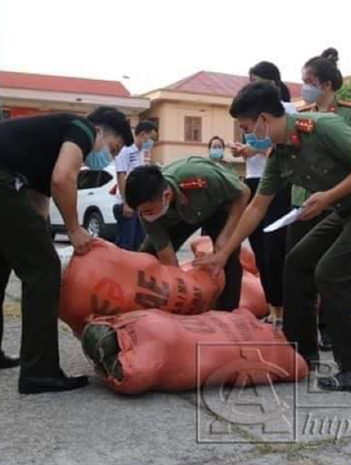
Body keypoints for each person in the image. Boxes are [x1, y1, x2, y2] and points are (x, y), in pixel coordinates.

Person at [195, 82, 351, 392]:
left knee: (331, 275)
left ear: (264, 119)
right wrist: (224, 253)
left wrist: (328, 196)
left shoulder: (322, 126)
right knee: (296, 262)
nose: (245, 134)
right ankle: (301, 353)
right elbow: (256, 207)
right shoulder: (280, 154)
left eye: (246, 126)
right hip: (348, 208)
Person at [0, 107, 133, 394]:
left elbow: (38, 205)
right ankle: (40, 371)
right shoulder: (83, 128)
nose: (109, 157)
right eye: (113, 149)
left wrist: (45, 243)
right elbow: (61, 179)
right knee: (43, 269)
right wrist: (74, 230)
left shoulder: (45, 149)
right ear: (102, 132)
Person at [292, 47, 351, 352]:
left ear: (325, 84)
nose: (303, 86)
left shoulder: (349, 111)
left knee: (332, 270)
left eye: (308, 80)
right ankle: (302, 333)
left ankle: (330, 328)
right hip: (302, 199)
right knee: (300, 268)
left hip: (336, 200)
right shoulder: (300, 114)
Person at [125, 158, 251, 310]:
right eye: (141, 212)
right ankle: (143, 308)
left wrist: (224, 237)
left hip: (217, 206)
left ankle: (228, 313)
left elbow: (243, 192)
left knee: (227, 257)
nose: (145, 216)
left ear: (165, 196)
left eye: (148, 211)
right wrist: (180, 292)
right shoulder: (148, 214)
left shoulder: (200, 177)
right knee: (148, 256)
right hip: (179, 217)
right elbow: (168, 259)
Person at [228, 61, 296, 325]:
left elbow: (278, 145)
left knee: (277, 248)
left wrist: (255, 149)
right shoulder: (252, 112)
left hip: (281, 183)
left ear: (274, 83)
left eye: (256, 81)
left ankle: (291, 308)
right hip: (258, 180)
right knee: (261, 249)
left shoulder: (287, 112)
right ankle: (273, 307)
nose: (252, 86)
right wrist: (245, 150)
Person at [114, 120, 158, 250]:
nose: (152, 142)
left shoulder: (141, 153)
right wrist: (126, 202)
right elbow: (121, 175)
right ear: (143, 134)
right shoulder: (126, 150)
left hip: (137, 205)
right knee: (125, 246)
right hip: (127, 205)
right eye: (152, 138)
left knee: (139, 244)